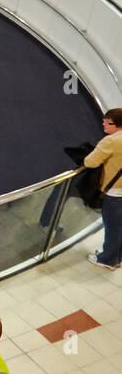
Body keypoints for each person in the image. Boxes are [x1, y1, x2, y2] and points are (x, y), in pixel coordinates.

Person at [83, 108, 122, 269]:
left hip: (114, 192)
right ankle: (117, 257)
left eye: (109, 123)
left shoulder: (111, 141)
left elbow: (89, 162)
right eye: (104, 120)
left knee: (112, 227)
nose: (104, 124)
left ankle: (107, 260)